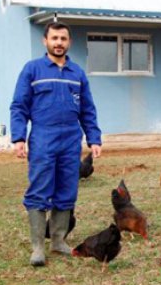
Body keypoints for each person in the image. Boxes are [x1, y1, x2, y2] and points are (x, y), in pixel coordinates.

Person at [10, 21, 102, 266]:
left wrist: (93, 138)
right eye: (54, 38)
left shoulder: (77, 74)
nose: (59, 43)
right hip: (43, 138)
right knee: (40, 189)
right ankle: (38, 246)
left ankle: (59, 240)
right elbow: (19, 106)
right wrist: (19, 137)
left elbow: (88, 110)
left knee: (66, 190)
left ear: (69, 42)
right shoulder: (32, 70)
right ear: (45, 41)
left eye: (63, 39)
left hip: (71, 139)